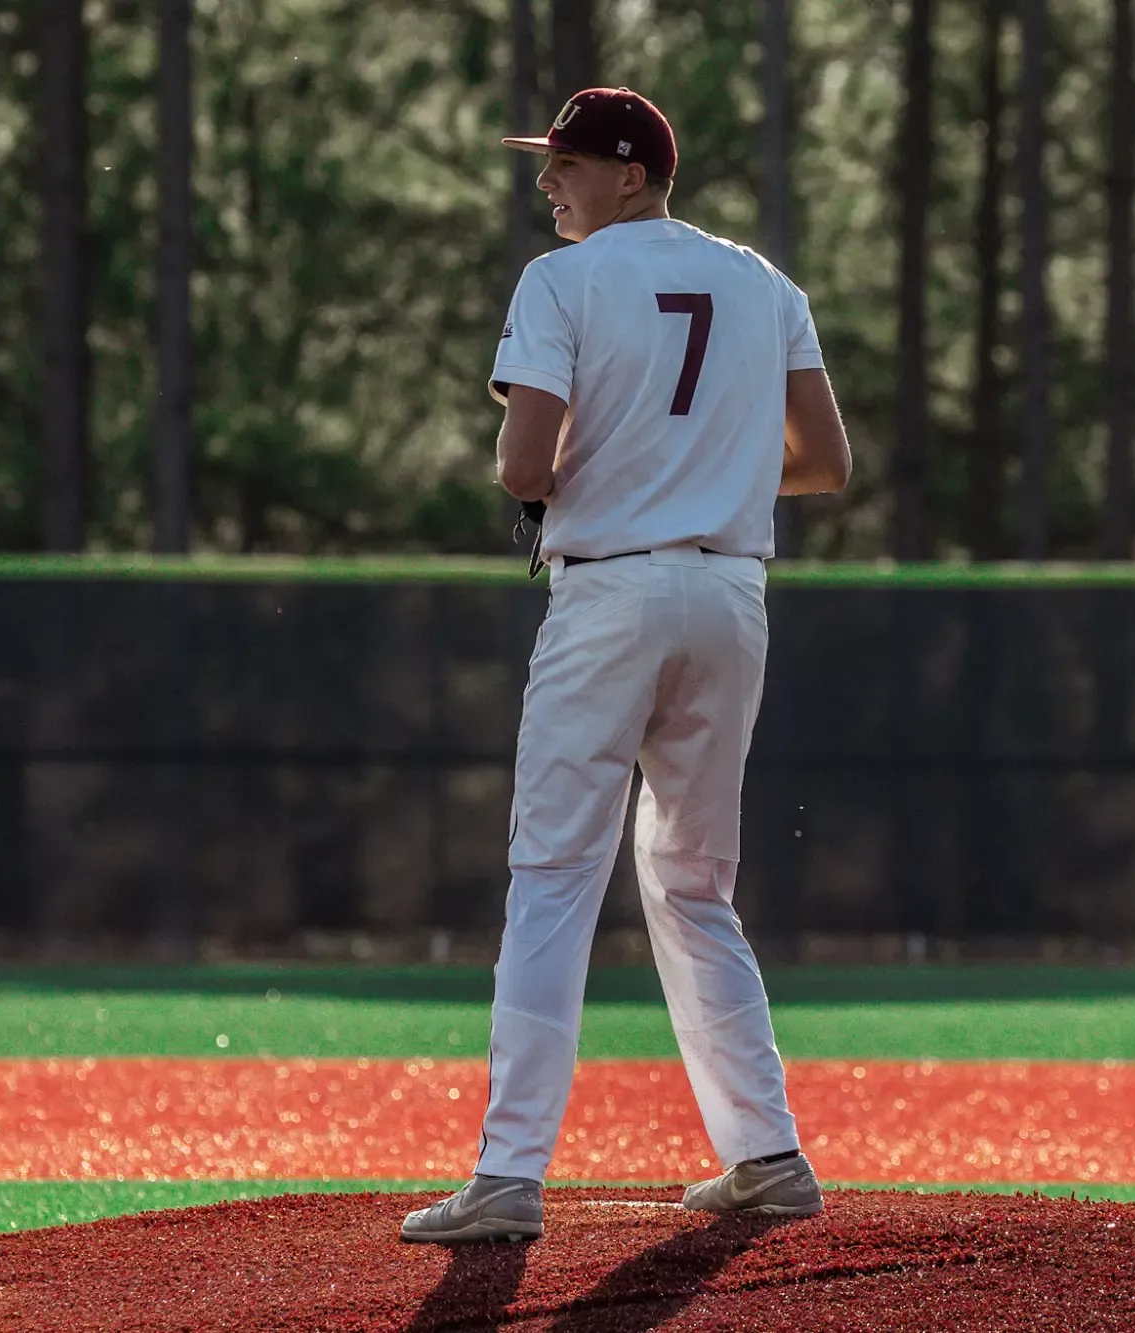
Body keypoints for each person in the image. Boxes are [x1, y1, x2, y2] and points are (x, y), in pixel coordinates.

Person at [400, 87, 852, 1244]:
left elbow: (519, 464)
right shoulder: (765, 283)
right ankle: (765, 1152)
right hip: (729, 592)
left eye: (567, 165)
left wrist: (610, 478)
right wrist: (705, 475)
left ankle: (507, 1174)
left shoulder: (563, 280)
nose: (547, 183)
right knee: (695, 882)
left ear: (633, 175)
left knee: (553, 868)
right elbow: (825, 462)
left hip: (610, 591)